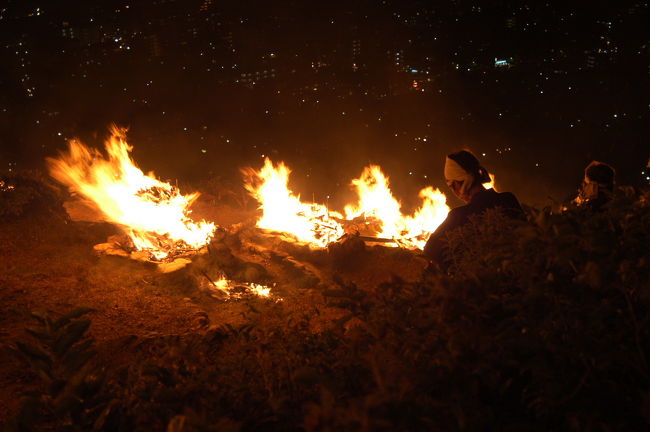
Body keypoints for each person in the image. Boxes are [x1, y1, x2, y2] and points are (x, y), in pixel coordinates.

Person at [423, 150, 524, 269]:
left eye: (451, 186)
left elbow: (429, 252)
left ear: (457, 185)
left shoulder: (458, 216)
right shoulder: (509, 199)